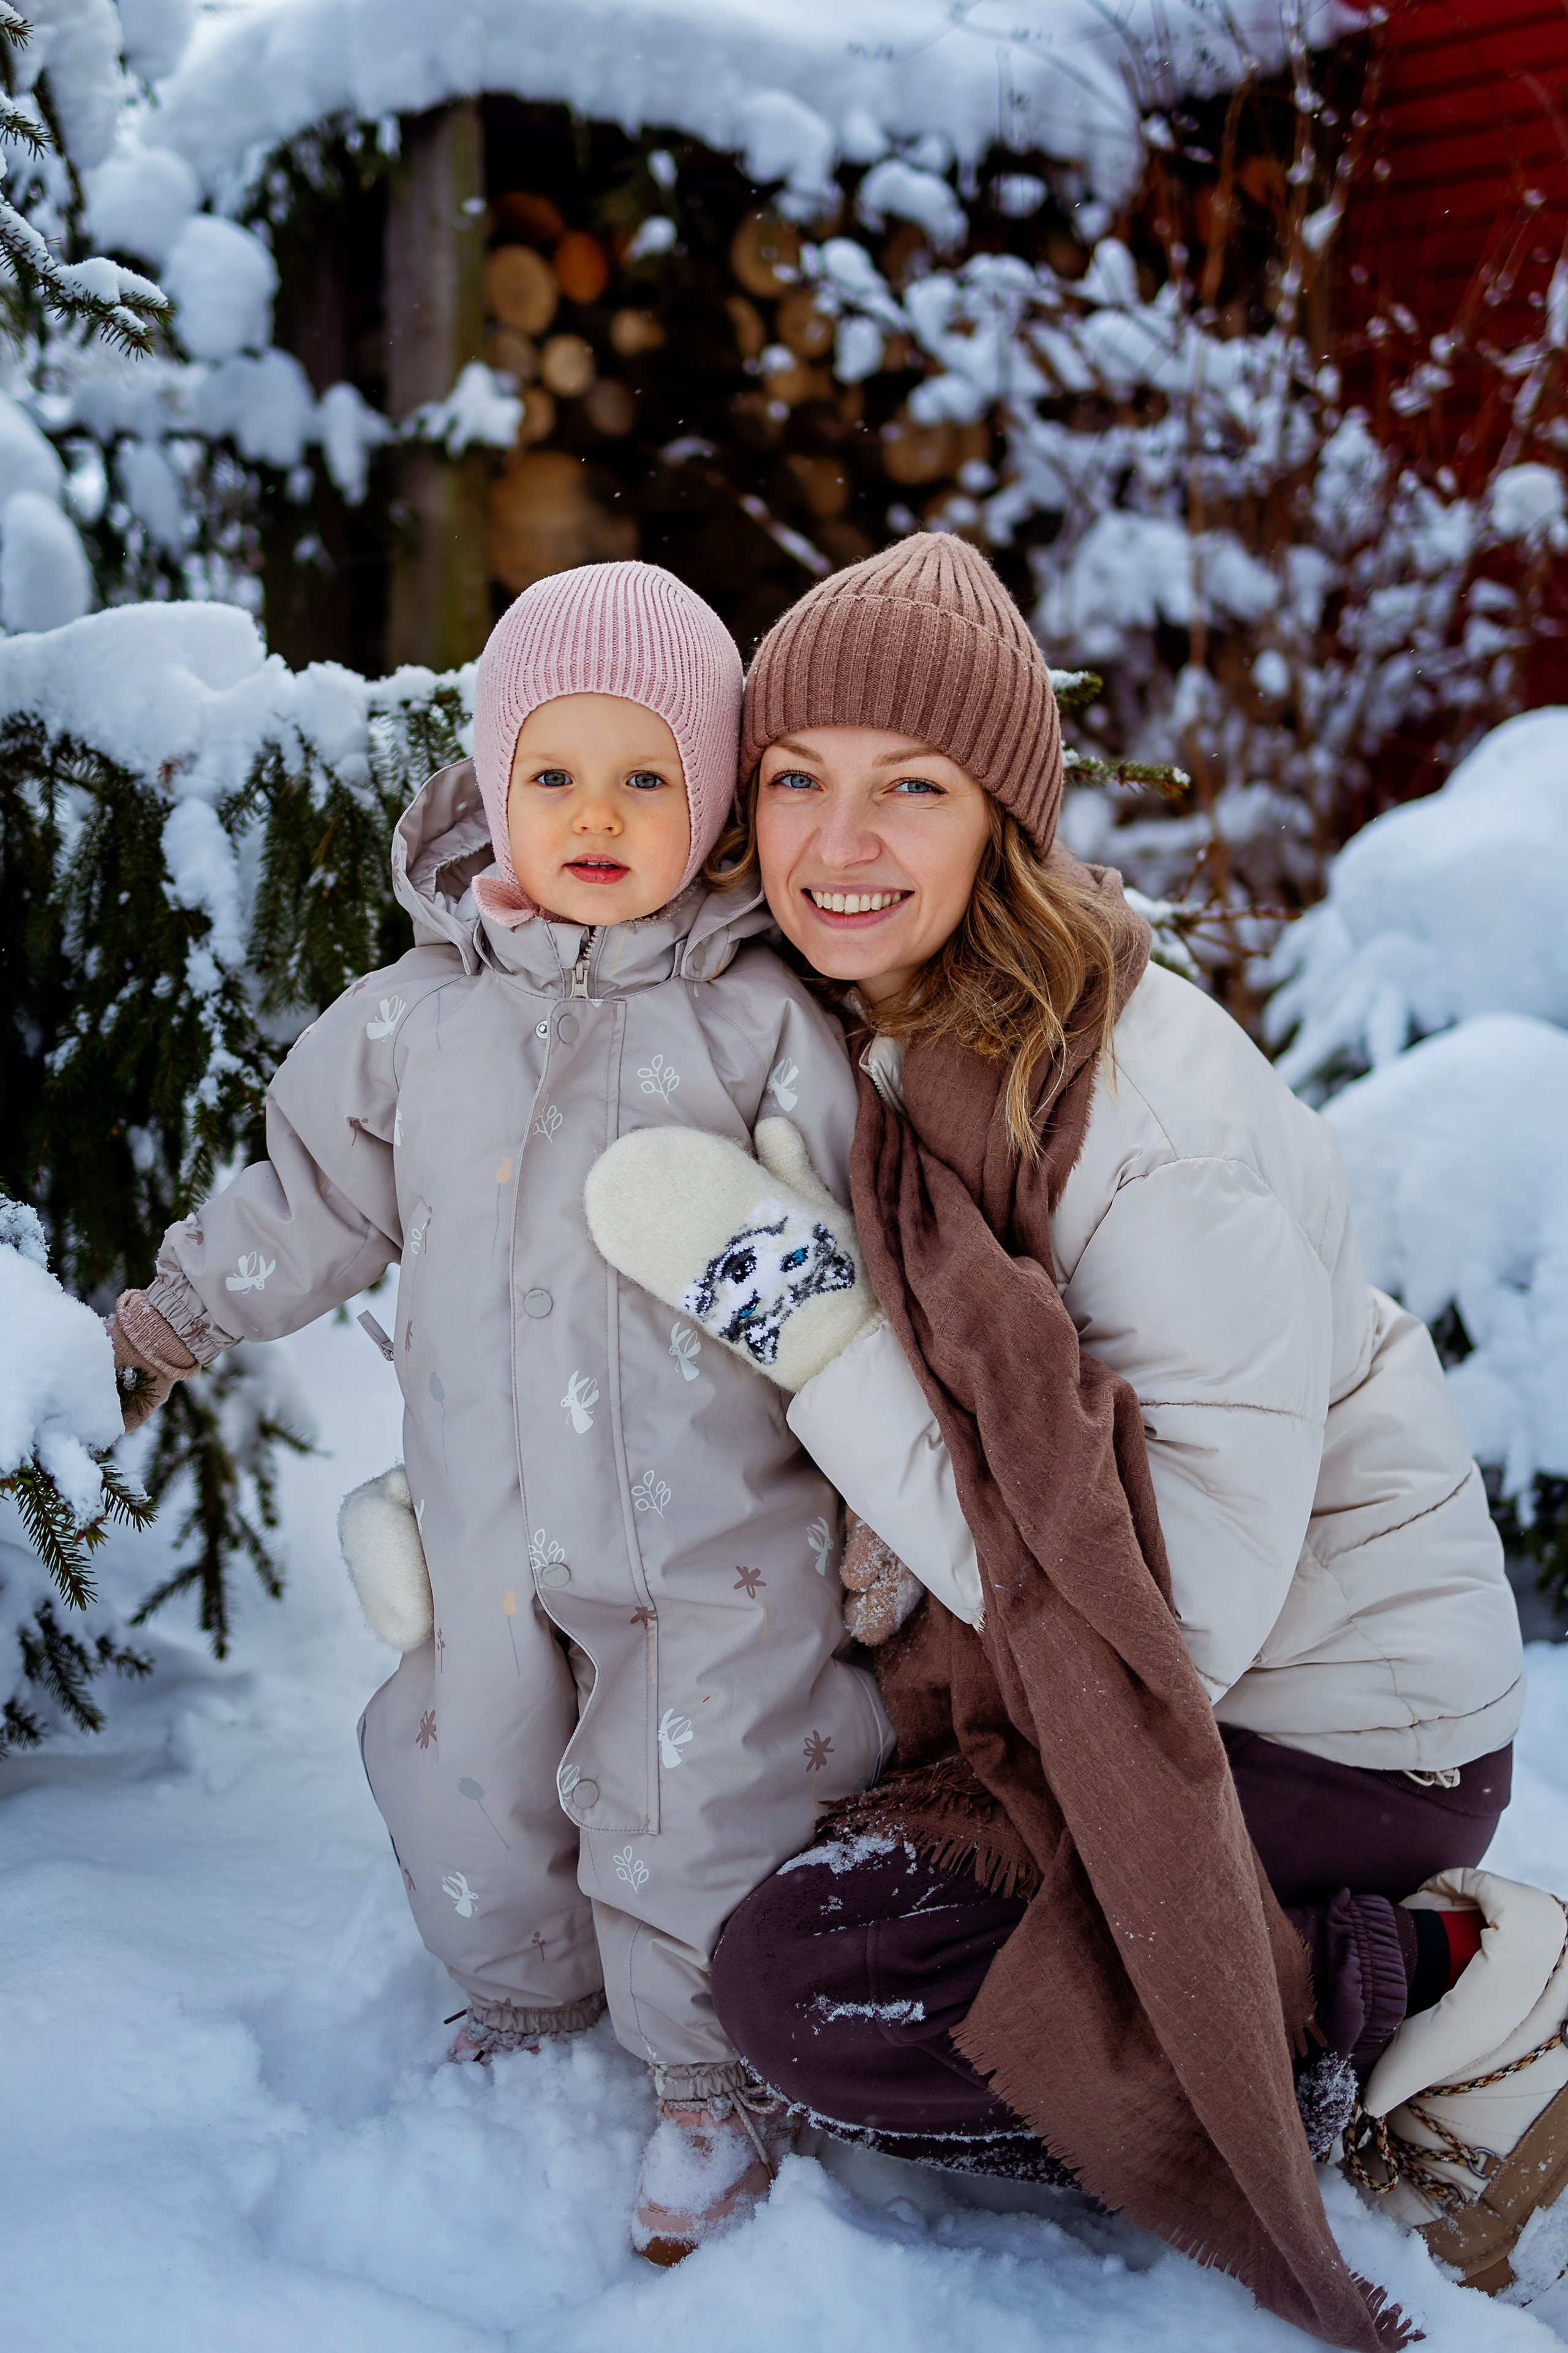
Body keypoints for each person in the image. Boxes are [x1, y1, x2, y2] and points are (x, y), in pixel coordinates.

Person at [584, 536, 1568, 2339]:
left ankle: (1398, 1989)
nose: (839, 839)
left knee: (816, 1987)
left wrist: (818, 1330)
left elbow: (1163, 1632)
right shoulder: (867, 1036)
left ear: (1003, 824)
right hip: (1100, 1673)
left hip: (1328, 1727)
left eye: (912, 786)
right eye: (795, 778)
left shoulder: (1140, 1124)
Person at [103, 561, 893, 2265]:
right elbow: (308, 1195)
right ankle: (528, 1991)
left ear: (713, 802)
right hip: (492, 1524)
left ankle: (709, 2075)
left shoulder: (759, 1027)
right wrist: (183, 1309)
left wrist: (888, 1511)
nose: (596, 814)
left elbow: (854, 1280)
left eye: (646, 776)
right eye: (555, 773)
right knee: (474, 1773)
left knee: (705, 1788)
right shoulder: (414, 1025)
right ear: (491, 786)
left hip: (720, 1541)